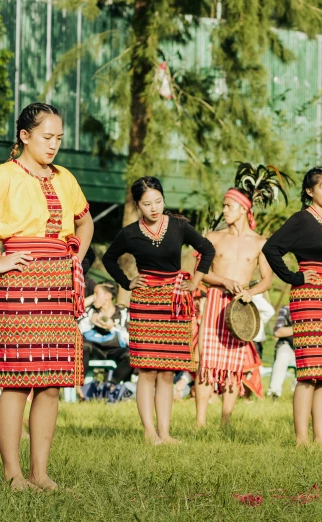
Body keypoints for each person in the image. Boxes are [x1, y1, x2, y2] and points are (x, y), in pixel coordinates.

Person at [0, 102, 93, 490]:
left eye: (59, 138)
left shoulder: (65, 177)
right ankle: (14, 474)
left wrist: (75, 259)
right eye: (47, 137)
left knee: (50, 382)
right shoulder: (2, 176)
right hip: (19, 282)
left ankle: (40, 473)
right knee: (17, 379)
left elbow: (85, 221)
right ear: (25, 136)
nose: (54, 145)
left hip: (59, 284)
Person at [103, 176, 215, 445]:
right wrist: (126, 282)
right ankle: (149, 433)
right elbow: (108, 258)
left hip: (174, 302)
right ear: (138, 205)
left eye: (158, 201)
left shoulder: (178, 226)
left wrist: (195, 282)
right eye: (147, 203)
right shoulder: (129, 232)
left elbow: (207, 249)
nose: (154, 208)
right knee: (147, 370)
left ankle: (165, 433)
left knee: (167, 371)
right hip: (144, 303)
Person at [263, 166, 322, 446]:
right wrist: (294, 276)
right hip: (309, 296)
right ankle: (302, 438)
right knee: (308, 370)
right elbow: (271, 248)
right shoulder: (301, 220)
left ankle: (321, 439)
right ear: (309, 191)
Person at [195, 164, 288, 427]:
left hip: (241, 307)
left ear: (244, 209)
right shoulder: (213, 237)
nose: (224, 210)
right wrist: (223, 280)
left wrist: (250, 292)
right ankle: (200, 422)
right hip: (215, 301)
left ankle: (225, 422)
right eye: (224, 206)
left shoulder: (260, 243)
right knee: (207, 363)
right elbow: (199, 273)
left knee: (234, 367)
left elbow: (268, 280)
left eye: (228, 206)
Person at [79, 282, 132, 386]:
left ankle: (111, 385)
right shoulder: (90, 311)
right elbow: (75, 319)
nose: (93, 297)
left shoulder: (123, 314)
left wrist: (112, 327)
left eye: (96, 293)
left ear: (108, 296)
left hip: (115, 350)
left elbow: (129, 340)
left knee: (131, 355)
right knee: (83, 346)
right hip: (95, 349)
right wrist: (89, 321)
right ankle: (80, 385)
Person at [267, 305, 296, 398]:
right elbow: (277, 332)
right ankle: (274, 392)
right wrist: (300, 328)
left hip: (304, 348)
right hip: (286, 344)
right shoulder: (286, 309)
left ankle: (299, 393)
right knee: (283, 356)